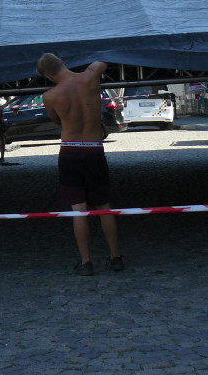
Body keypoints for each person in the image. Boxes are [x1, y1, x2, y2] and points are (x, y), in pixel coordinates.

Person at [37, 53, 123, 276]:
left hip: (70, 151)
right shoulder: (91, 76)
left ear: (48, 76)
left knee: (79, 211)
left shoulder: (49, 95)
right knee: (104, 207)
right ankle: (115, 258)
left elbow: (56, 120)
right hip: (94, 148)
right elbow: (106, 56)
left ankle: (86, 262)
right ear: (64, 62)